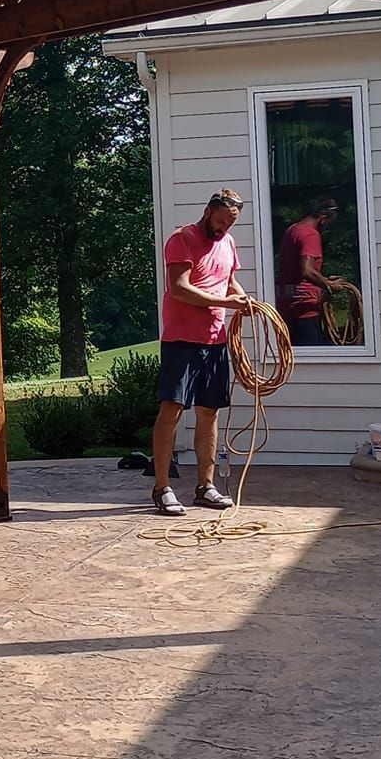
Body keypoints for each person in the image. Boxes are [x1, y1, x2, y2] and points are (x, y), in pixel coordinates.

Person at [151, 189, 251, 516]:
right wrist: (225, 302)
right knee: (173, 408)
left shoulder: (228, 244)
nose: (224, 229)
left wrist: (244, 300)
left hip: (215, 340)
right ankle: (162, 487)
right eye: (221, 220)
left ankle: (205, 486)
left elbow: (229, 282)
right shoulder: (182, 238)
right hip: (182, 340)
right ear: (208, 211)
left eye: (231, 223)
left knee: (209, 412)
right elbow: (178, 288)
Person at [276, 192, 343, 347]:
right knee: (313, 360)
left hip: (287, 308)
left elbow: (295, 270)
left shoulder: (292, 230)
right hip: (305, 310)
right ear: (323, 218)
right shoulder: (310, 235)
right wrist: (329, 285)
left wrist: (323, 279)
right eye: (329, 223)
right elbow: (306, 270)